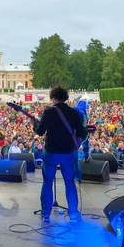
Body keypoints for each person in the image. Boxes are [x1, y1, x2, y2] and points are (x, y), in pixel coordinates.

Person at [32, 86, 87, 223]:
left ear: (53, 98)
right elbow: (82, 133)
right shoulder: (73, 113)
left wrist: (34, 124)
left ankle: (46, 214)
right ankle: (73, 214)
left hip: (51, 152)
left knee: (47, 182)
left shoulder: (48, 112)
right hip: (68, 152)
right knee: (70, 182)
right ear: (65, 98)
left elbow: (39, 132)